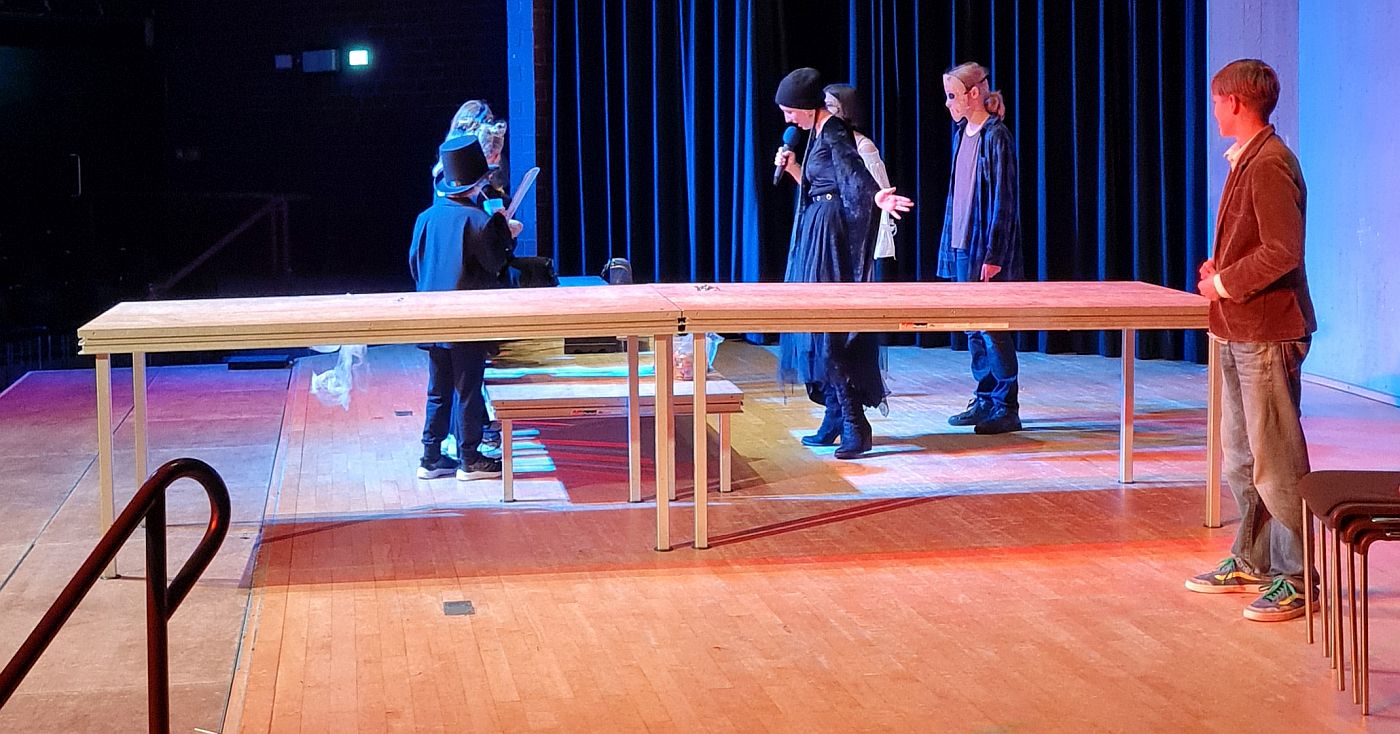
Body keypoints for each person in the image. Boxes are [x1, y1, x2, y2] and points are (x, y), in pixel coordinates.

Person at [1184, 59, 1316, 623]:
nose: (1214, 110)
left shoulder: (1269, 161)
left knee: (1275, 460)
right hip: (1239, 328)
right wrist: (1224, 270)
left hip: (1267, 331)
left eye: (1217, 101)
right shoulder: (1248, 157)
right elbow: (1255, 243)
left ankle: (1297, 575)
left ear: (1235, 102)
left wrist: (1223, 282)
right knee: (1241, 457)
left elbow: (1283, 250)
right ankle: (1254, 557)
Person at [772, 67, 912, 460]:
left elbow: (853, 173)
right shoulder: (816, 133)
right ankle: (836, 415)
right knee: (816, 331)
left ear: (806, 106)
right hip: (816, 232)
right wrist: (793, 168)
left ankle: (854, 422)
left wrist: (878, 197)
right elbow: (822, 186)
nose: (788, 120)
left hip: (829, 238)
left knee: (827, 331)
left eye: (790, 111)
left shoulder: (833, 129)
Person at [409, 134, 512, 481]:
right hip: (467, 321)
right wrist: (503, 227)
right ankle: (469, 458)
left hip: (431, 319)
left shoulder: (425, 218)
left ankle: (430, 457)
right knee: (468, 390)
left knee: (438, 389)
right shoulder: (478, 221)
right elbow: (496, 263)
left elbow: (415, 264)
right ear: (477, 183)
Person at [936, 62, 1024, 435]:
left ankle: (1006, 406)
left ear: (974, 94)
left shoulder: (996, 136)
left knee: (992, 328)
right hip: (961, 243)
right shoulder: (962, 133)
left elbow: (1004, 198)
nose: (948, 103)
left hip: (984, 248)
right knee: (972, 327)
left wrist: (995, 255)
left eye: (952, 95)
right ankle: (985, 397)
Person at [823, 84, 897, 261]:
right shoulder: (823, 144)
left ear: (845, 109)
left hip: (856, 233)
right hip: (830, 227)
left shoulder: (863, 146)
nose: (824, 111)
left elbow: (879, 190)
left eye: (829, 106)